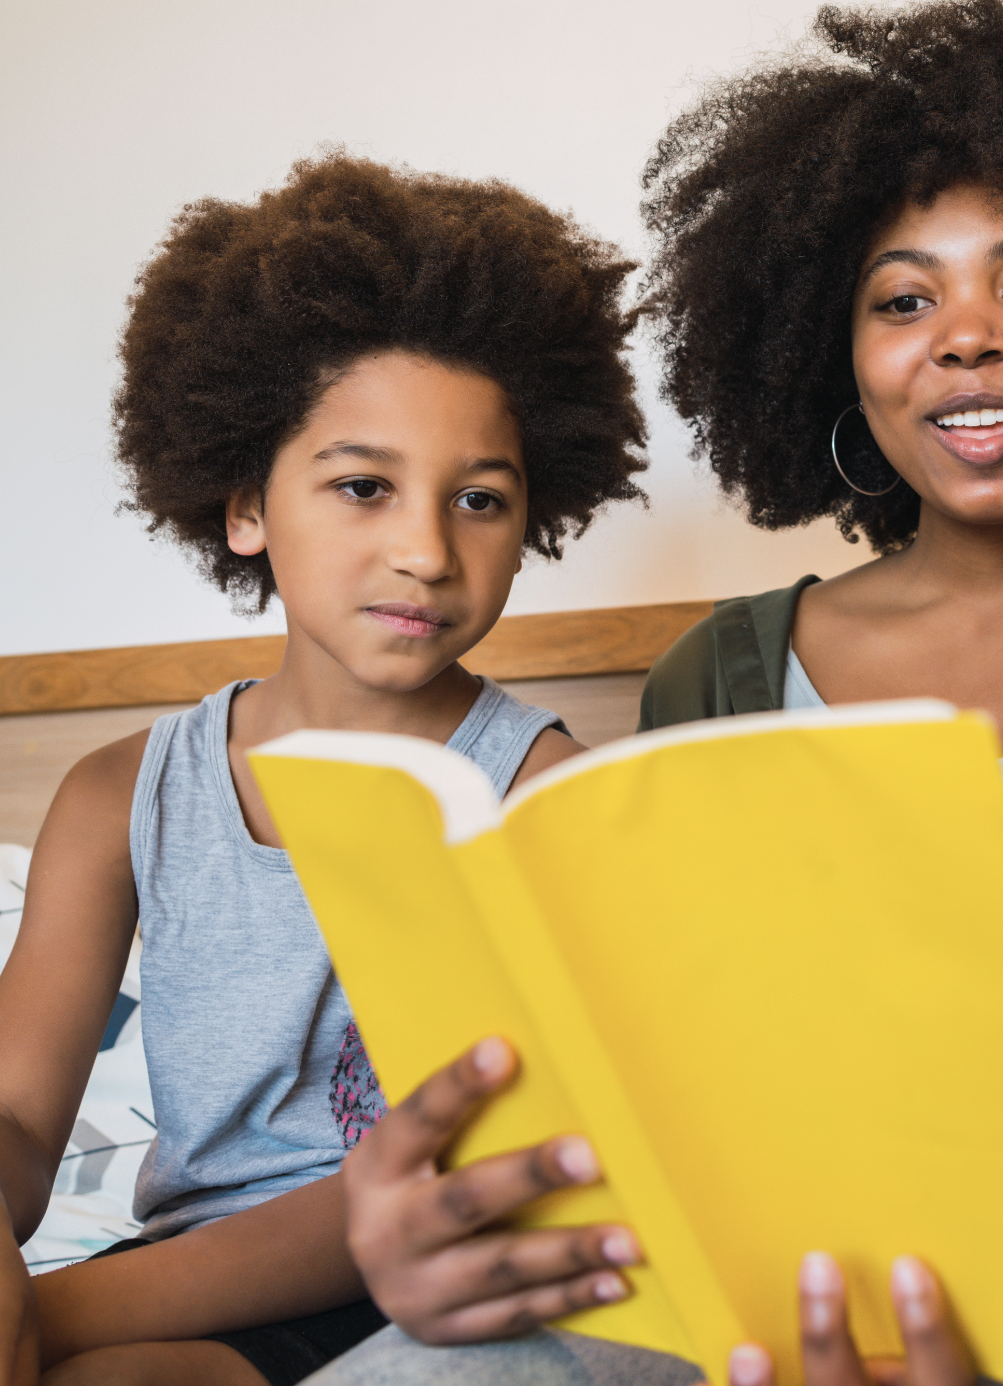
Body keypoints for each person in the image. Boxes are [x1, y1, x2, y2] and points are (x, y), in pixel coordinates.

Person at [312, 2, 1003, 1382]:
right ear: (841, 361)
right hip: (783, 1308)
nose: (969, 338)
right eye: (902, 301)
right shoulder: (721, 680)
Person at [0, 154, 647, 1385]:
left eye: (480, 500)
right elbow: (22, 1118)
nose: (425, 550)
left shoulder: (552, 802)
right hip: (174, 1270)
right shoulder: (117, 797)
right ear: (246, 506)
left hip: (416, 1277)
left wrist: (51, 1321)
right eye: (363, 487)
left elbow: (456, 1178)